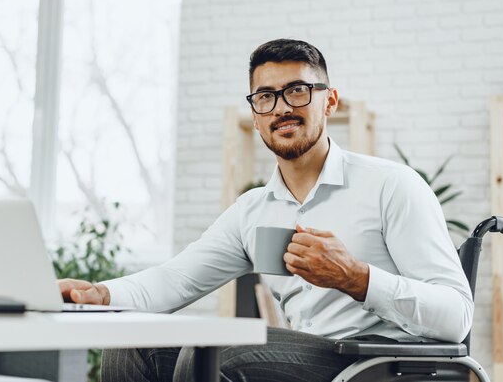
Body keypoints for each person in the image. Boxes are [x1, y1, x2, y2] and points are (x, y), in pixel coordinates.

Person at [58, 39, 473, 382]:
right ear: (256, 117)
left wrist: (357, 278)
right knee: (132, 344)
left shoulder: (391, 186)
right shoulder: (253, 209)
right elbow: (174, 280)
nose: (281, 108)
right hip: (306, 358)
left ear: (329, 101)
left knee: (225, 354)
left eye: (297, 91)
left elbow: (456, 317)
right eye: (265, 97)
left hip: (379, 363)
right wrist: (101, 295)